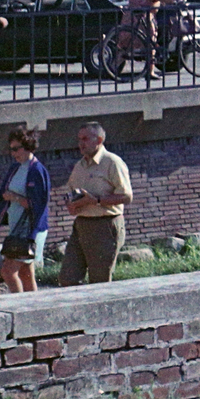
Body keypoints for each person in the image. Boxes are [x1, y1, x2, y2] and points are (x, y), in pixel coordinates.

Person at [58, 122, 133, 286]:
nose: (80, 143)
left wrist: (97, 201)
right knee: (67, 278)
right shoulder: (79, 166)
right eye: (79, 139)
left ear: (99, 140)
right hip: (81, 225)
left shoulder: (112, 162)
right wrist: (71, 205)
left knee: (99, 282)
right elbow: (72, 192)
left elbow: (126, 196)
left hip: (105, 225)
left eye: (85, 139)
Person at [0, 127, 51, 292]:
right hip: (17, 227)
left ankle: (18, 308)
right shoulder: (15, 168)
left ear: (28, 146)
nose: (13, 153)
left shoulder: (37, 171)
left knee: (8, 272)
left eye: (16, 149)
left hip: (30, 229)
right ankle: (33, 309)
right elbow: (1, 196)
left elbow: (39, 205)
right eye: (11, 149)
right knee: (26, 273)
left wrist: (15, 198)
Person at [125, 0, 188, 79]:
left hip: (131, 16)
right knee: (151, 41)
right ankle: (150, 72)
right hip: (145, 16)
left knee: (124, 45)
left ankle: (112, 68)